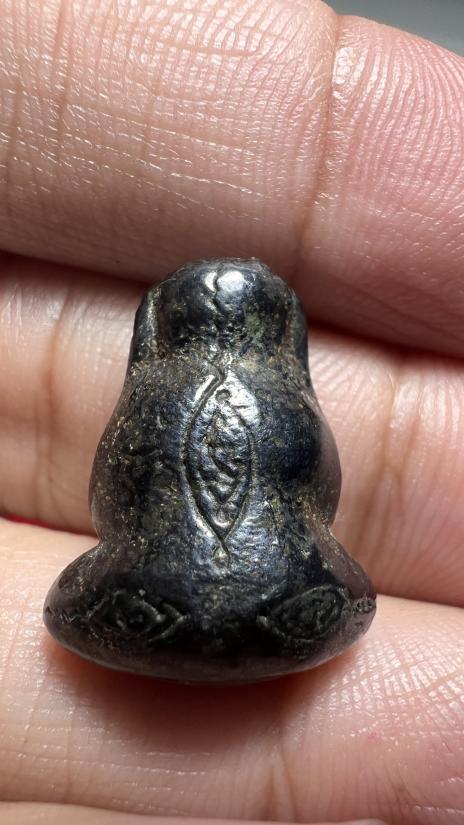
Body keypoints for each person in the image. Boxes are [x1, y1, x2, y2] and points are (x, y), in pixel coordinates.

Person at [0, 1, 463, 823]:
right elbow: (322, 489)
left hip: (143, 603)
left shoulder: (155, 378)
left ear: (158, 326)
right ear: (284, 327)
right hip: (294, 605)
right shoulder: (283, 382)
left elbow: (110, 489)